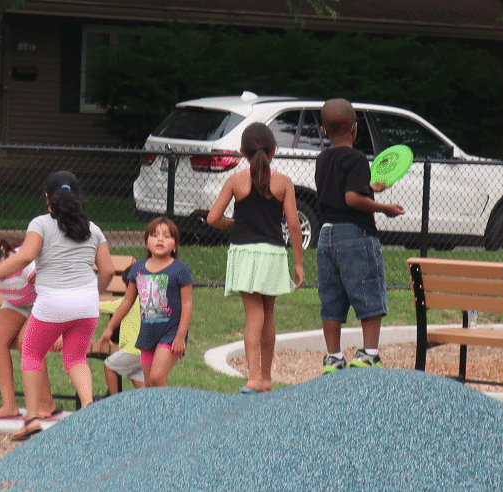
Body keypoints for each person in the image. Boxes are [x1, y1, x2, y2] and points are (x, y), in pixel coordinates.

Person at [0, 171, 114, 441]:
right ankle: (87, 407)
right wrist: (91, 293)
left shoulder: (41, 224)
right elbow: (108, 270)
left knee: (31, 352)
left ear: (47, 198)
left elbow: (24, 257)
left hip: (52, 303)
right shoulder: (92, 229)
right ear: (77, 196)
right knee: (75, 359)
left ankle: (32, 418)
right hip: (86, 306)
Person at [206, 122, 304, 393]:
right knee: (268, 314)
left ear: (242, 152)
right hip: (273, 254)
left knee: (253, 316)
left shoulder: (236, 181)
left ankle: (253, 378)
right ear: (274, 150)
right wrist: (298, 262)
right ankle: (267, 378)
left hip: (245, 253)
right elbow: (294, 225)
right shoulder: (283, 182)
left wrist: (235, 223)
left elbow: (213, 218)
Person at [315, 98, 405, 373]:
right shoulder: (355, 158)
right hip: (355, 234)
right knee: (368, 291)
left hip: (325, 235)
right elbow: (352, 197)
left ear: (323, 131)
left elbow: (341, 192)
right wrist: (383, 208)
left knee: (331, 299)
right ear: (355, 129)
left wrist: (371, 188)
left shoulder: (322, 159)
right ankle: (369, 354)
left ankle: (333, 357)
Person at [0, 237, 61, 421]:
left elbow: (50, 292)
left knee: (28, 341)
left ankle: (47, 404)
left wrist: (57, 329)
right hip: (17, 304)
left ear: (3, 251)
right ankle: (9, 406)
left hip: (42, 303)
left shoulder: (24, 264)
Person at [98, 217, 192, 388]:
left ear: (175, 245)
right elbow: (127, 301)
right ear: (147, 243)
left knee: (157, 378)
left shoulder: (180, 269)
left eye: (167, 236)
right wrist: (110, 328)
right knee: (149, 385)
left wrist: (180, 336)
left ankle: (175, 409)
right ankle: (158, 414)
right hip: (148, 334)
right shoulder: (138, 268)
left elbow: (187, 305)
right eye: (155, 235)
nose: (160, 239)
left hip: (170, 334)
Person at [98, 264, 145, 393]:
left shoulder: (125, 303)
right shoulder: (148, 302)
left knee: (109, 365)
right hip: (146, 350)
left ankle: (114, 401)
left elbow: (101, 307)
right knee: (138, 380)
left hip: (133, 350)